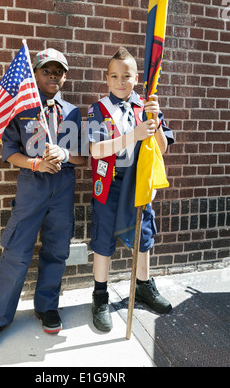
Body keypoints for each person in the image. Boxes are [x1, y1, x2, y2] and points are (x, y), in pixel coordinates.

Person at [0, 48, 85, 349]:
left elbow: (81, 159)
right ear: (35, 73)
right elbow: (10, 152)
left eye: (59, 71)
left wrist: (64, 153)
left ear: (65, 76)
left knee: (56, 250)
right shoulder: (22, 110)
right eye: (46, 70)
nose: (53, 75)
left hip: (62, 189)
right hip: (32, 187)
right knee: (17, 252)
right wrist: (36, 163)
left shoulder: (72, 112)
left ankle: (46, 306)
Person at [87, 47, 175, 332]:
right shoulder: (99, 109)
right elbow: (96, 149)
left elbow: (162, 148)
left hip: (139, 180)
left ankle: (144, 286)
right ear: (107, 78)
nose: (120, 81)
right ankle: (100, 295)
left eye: (126, 76)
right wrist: (131, 136)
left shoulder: (146, 106)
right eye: (114, 76)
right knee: (103, 237)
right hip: (111, 182)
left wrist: (156, 120)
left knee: (143, 234)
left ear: (136, 78)